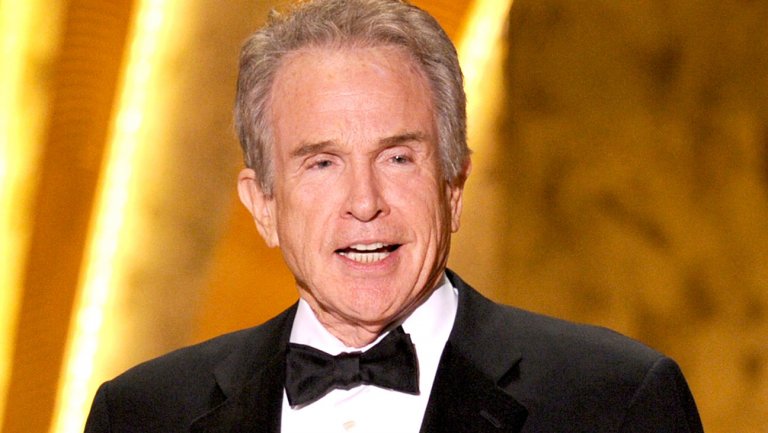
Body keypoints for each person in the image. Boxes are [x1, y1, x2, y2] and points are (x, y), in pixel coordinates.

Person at [84, 0, 704, 432]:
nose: (364, 202)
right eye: (322, 163)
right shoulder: (141, 415)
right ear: (263, 205)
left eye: (398, 157)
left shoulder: (614, 401)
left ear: (454, 187)